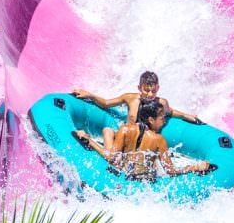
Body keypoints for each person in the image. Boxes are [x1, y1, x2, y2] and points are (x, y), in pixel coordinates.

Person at [74, 99, 212, 179]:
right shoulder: (159, 140)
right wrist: (195, 167)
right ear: (151, 119)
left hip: (123, 175)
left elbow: (111, 157)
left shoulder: (125, 129)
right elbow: (171, 171)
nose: (164, 122)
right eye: (162, 118)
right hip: (144, 182)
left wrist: (89, 140)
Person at [73, 69, 204, 151]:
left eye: (153, 90)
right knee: (108, 131)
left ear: (158, 88)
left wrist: (187, 116)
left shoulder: (161, 103)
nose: (150, 94)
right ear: (139, 87)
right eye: (146, 90)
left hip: (145, 144)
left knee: (108, 132)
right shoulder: (130, 98)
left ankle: (106, 154)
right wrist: (90, 95)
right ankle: (109, 155)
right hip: (126, 139)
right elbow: (107, 103)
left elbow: (171, 112)